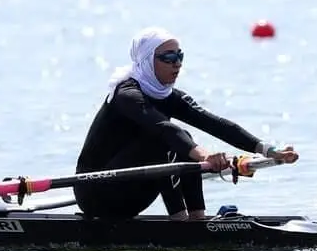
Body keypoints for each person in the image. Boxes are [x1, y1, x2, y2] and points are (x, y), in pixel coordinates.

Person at [74, 26, 299, 220]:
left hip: (133, 193)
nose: (177, 64)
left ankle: (196, 219)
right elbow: (164, 129)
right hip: (96, 193)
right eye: (168, 58)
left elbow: (216, 124)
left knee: (182, 142)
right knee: (168, 140)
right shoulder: (127, 94)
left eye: (180, 56)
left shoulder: (167, 96)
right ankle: (181, 223)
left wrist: (270, 150)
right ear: (146, 60)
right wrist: (205, 156)